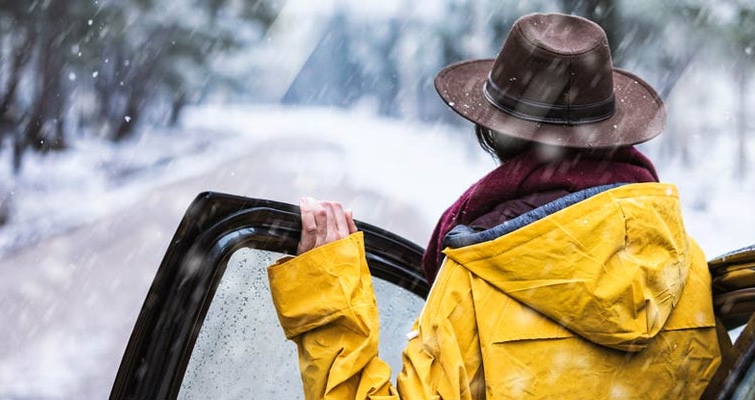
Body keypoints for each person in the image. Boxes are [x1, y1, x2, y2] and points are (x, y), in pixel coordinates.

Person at [267, 12, 721, 399]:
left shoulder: (478, 277)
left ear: (494, 134)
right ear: (613, 133)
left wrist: (329, 305)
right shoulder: (685, 263)